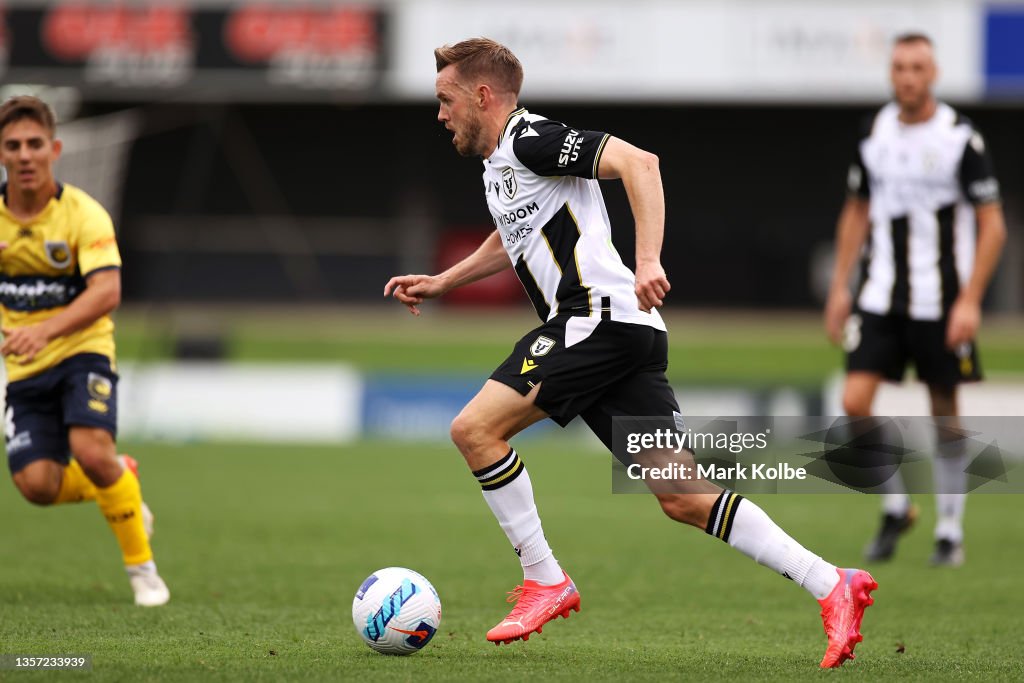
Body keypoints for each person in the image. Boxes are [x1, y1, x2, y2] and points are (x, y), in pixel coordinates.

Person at [385, 38, 875, 668]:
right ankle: (833, 584)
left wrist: (648, 259)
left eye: (446, 99)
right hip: (625, 333)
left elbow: (641, 163)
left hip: (595, 320)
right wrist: (444, 281)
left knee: (475, 430)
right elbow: (515, 234)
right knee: (684, 496)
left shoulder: (532, 137)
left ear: (483, 95)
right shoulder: (501, 165)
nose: (440, 113)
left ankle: (546, 580)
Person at [824, 33, 1007, 568]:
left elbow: (991, 226)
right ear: (891, 74)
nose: (907, 76)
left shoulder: (959, 139)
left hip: (942, 302)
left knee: (944, 413)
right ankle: (897, 507)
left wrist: (971, 300)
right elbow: (856, 210)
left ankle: (950, 529)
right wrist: (840, 287)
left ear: (934, 74)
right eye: (900, 67)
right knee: (855, 404)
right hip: (880, 297)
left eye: (917, 67)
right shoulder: (874, 132)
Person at [0, 95, 170, 606]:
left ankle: (144, 573)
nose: (25, 155)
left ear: (54, 149)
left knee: (92, 452)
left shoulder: (83, 214)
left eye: (34, 144)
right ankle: (122, 480)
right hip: (25, 365)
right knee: (37, 486)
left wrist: (46, 330)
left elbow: (106, 293)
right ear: (1, 154)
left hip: (82, 350)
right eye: (13, 146)